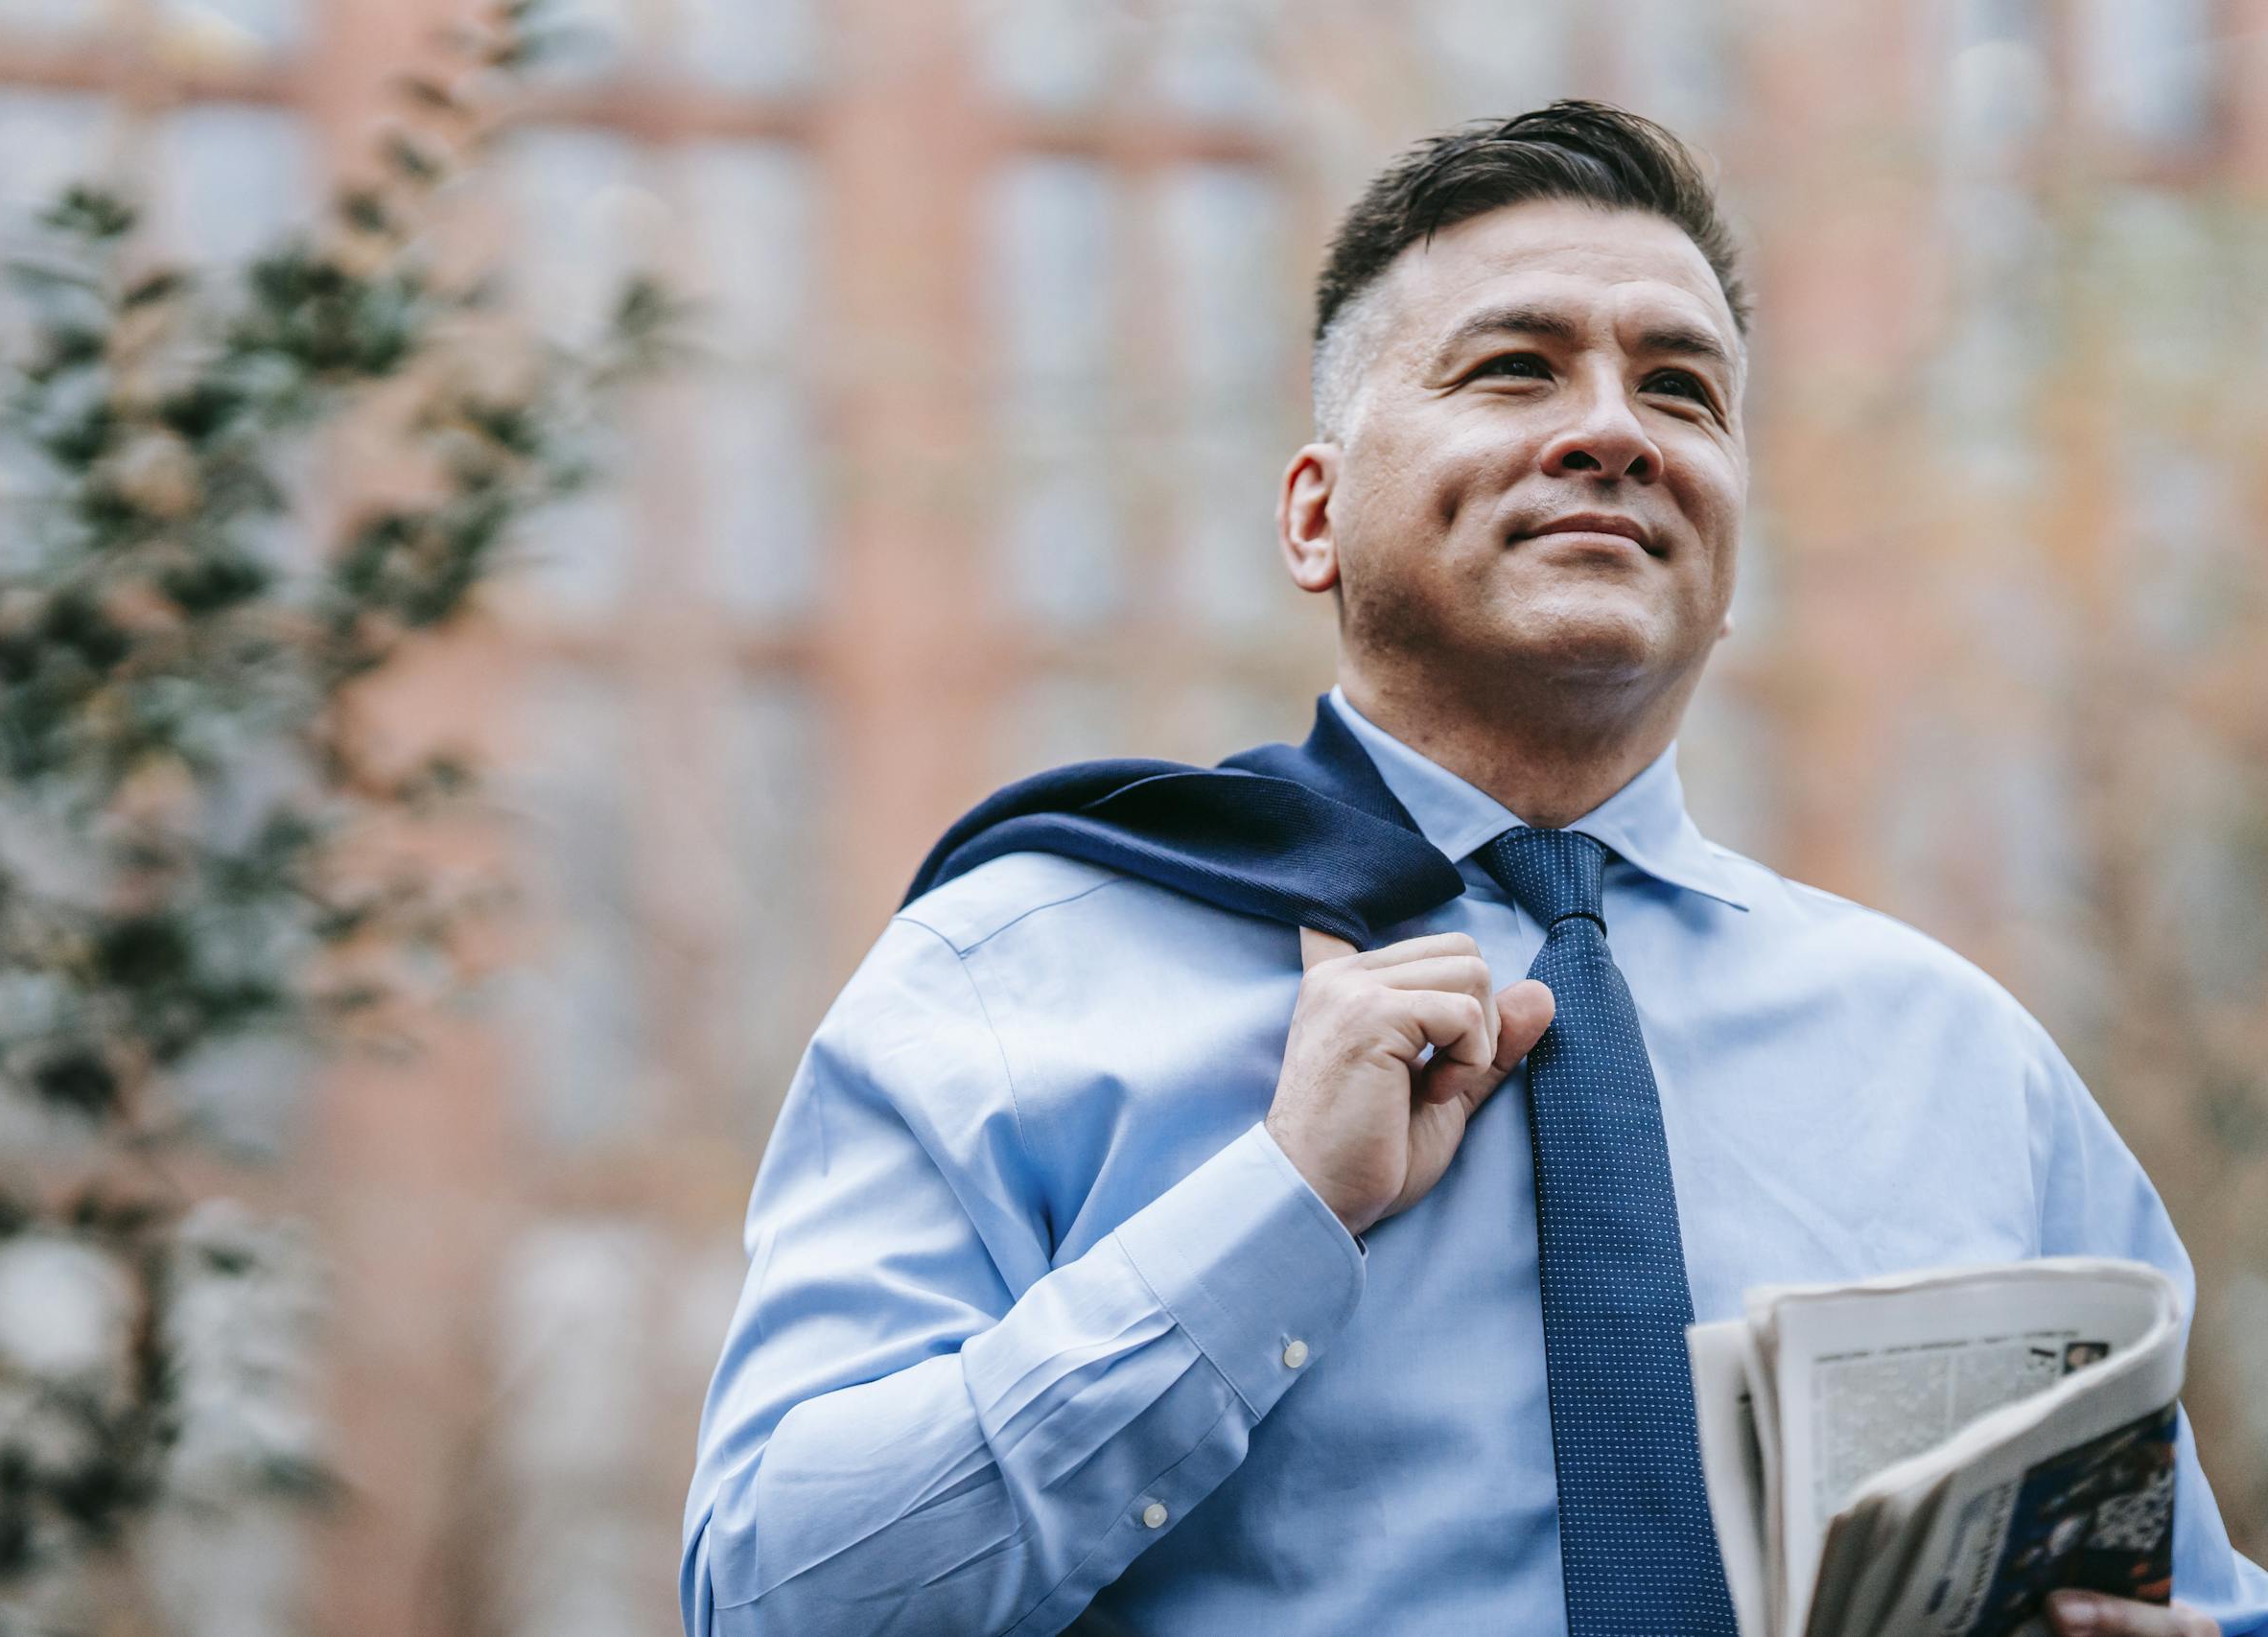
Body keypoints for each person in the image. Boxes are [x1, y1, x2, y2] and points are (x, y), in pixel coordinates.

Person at [679, 102, 2268, 1637]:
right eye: (1515, 370)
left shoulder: (1966, 1069)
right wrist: (1277, 1211)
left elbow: (2187, 1592)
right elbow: (776, 1596)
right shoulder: (1011, 977)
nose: (1612, 432)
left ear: (1729, 557)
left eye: (1683, 393)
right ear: (1317, 517)